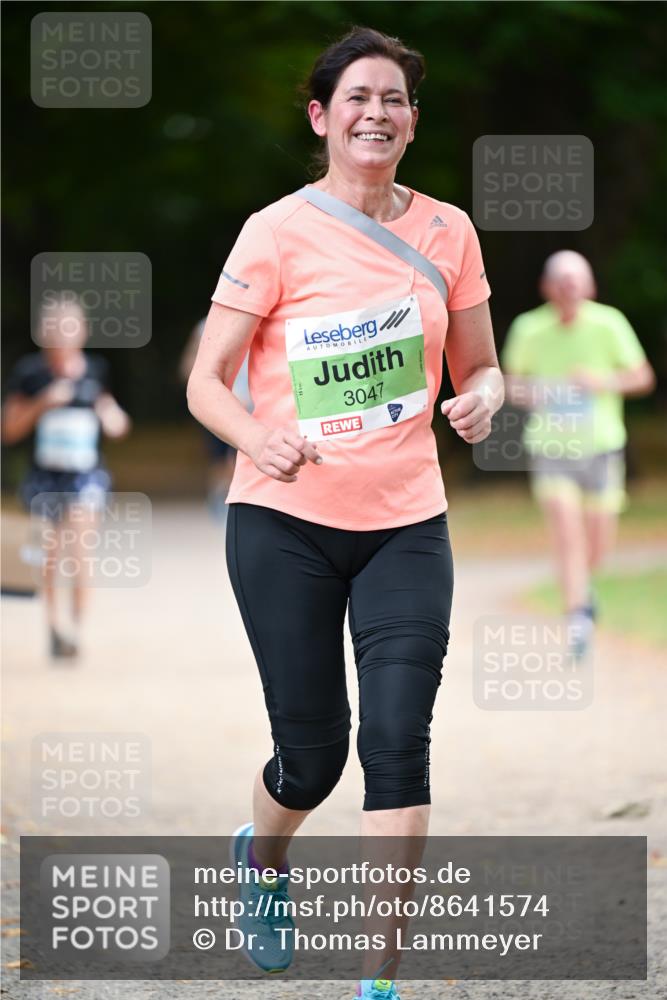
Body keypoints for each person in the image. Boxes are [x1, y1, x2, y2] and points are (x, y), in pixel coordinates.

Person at [187, 27, 503, 1000]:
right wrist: (254, 434)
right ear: (323, 117)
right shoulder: (275, 231)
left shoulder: (448, 232)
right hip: (283, 524)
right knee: (313, 757)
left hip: (408, 522)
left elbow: (480, 363)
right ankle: (263, 858)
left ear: (411, 122)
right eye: (357, 97)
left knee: (398, 739)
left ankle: (379, 982)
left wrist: (485, 395)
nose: (377, 113)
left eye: (395, 99)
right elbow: (207, 381)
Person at [502, 250, 655, 658]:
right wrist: (534, 393)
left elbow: (643, 377)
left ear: (589, 286)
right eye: (561, 280)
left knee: (597, 545)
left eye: (577, 280)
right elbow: (510, 382)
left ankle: (583, 593)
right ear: (547, 287)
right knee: (567, 533)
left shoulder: (609, 323)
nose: (569, 287)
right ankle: (577, 620)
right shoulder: (529, 328)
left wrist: (602, 380)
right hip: (552, 447)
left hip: (602, 447)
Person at [2, 296, 131, 659]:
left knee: (80, 550)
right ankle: (53, 627)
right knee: (48, 556)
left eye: (68, 328)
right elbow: (9, 429)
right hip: (43, 477)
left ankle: (76, 629)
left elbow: (116, 420)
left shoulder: (95, 370)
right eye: (54, 329)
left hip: (85, 476)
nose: (60, 336)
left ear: (82, 332)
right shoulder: (30, 373)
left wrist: (111, 417)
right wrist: (43, 403)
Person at [179, 318, 253, 521]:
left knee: (240, 456)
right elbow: (188, 364)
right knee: (219, 460)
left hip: (252, 405)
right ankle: (220, 497)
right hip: (220, 405)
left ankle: (236, 498)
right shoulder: (205, 326)